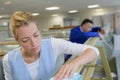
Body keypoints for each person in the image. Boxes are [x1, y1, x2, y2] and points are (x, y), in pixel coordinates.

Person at [3, 11, 99, 80]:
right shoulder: (8, 60)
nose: (34, 43)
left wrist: (75, 63)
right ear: (17, 40)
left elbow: (93, 51)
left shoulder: (53, 44)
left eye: (36, 35)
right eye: (25, 40)